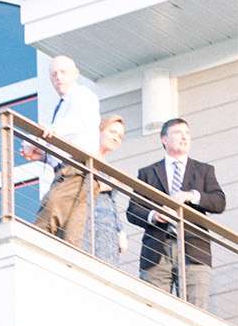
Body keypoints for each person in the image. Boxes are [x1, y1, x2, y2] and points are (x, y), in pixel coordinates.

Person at [126, 117, 228, 311]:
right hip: (157, 250)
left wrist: (192, 195)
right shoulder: (148, 173)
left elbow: (219, 202)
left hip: (194, 249)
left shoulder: (204, 170)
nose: (185, 137)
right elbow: (133, 211)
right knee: (153, 311)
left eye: (187, 133)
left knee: (196, 313)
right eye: (178, 133)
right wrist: (153, 215)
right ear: (164, 139)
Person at [23, 54, 101, 248]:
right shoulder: (62, 104)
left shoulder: (82, 95)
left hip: (76, 168)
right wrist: (44, 156)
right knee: (71, 230)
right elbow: (70, 139)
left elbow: (79, 122)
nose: (58, 77)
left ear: (75, 74)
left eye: (63, 72)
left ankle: (33, 252)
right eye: (53, 74)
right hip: (70, 169)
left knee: (50, 210)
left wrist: (49, 132)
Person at [89, 115, 129, 266]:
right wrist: (108, 184)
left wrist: (121, 230)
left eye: (120, 136)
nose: (116, 138)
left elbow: (110, 202)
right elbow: (77, 188)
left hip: (108, 230)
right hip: (88, 225)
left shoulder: (108, 166)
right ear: (100, 131)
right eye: (112, 132)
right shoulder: (84, 156)